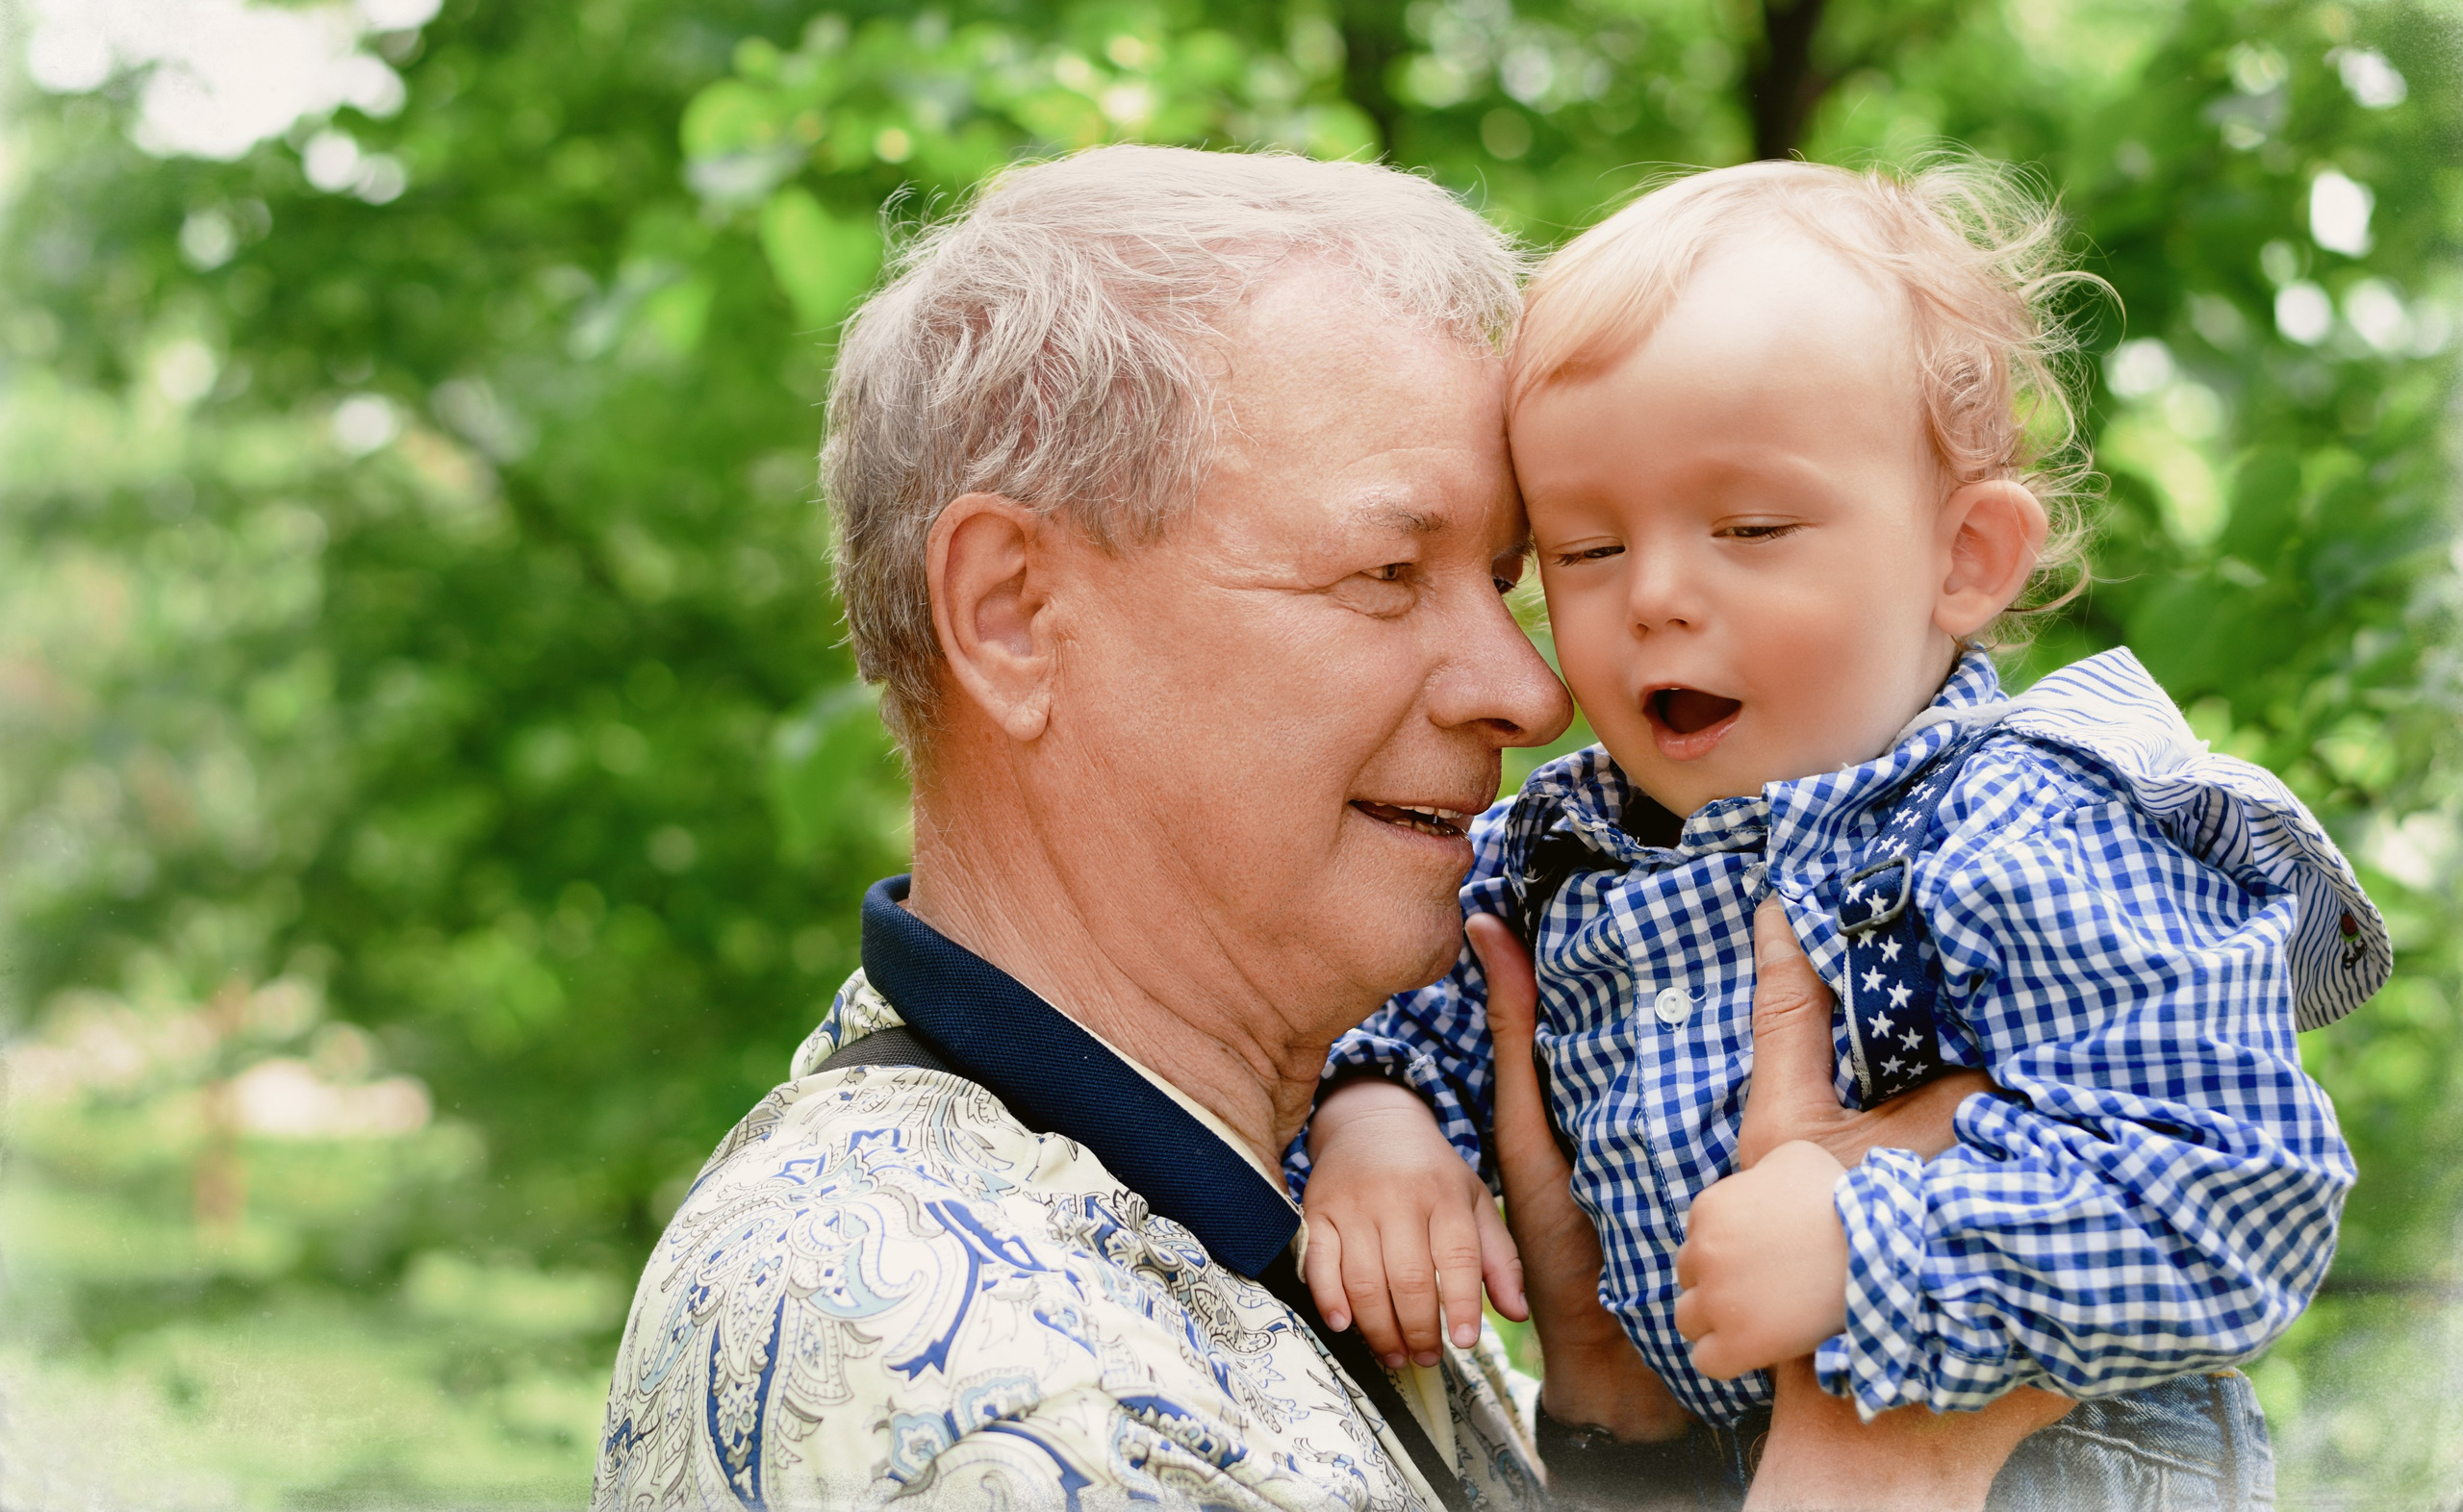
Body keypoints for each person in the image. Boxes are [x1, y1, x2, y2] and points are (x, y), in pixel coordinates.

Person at [592, 145, 2026, 1510]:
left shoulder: (1265, 1195)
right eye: (1388, 573)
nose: (1532, 693)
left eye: (1509, 580)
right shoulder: (964, 1367)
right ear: (1014, 613)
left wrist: (1618, 1416)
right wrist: (1877, 1464)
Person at [1298, 158, 2391, 1509]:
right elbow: (1402, 1011)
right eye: (1586, 550)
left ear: (1965, 559)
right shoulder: (1558, 851)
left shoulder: (2029, 826)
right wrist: (1381, 1125)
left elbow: (2234, 1195)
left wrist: (1869, 1253)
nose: (1654, 596)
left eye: (1752, 527)